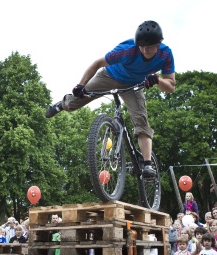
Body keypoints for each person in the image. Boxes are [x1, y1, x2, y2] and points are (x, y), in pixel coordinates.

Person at [45, 20, 175, 178]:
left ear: (159, 43)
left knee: (141, 120)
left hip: (135, 85)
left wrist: (158, 80)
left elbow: (170, 86)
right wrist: (80, 85)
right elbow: (98, 63)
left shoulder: (166, 54)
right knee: (76, 101)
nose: (144, 50)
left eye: (149, 47)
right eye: (141, 46)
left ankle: (147, 164)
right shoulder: (127, 50)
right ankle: (62, 105)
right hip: (109, 76)